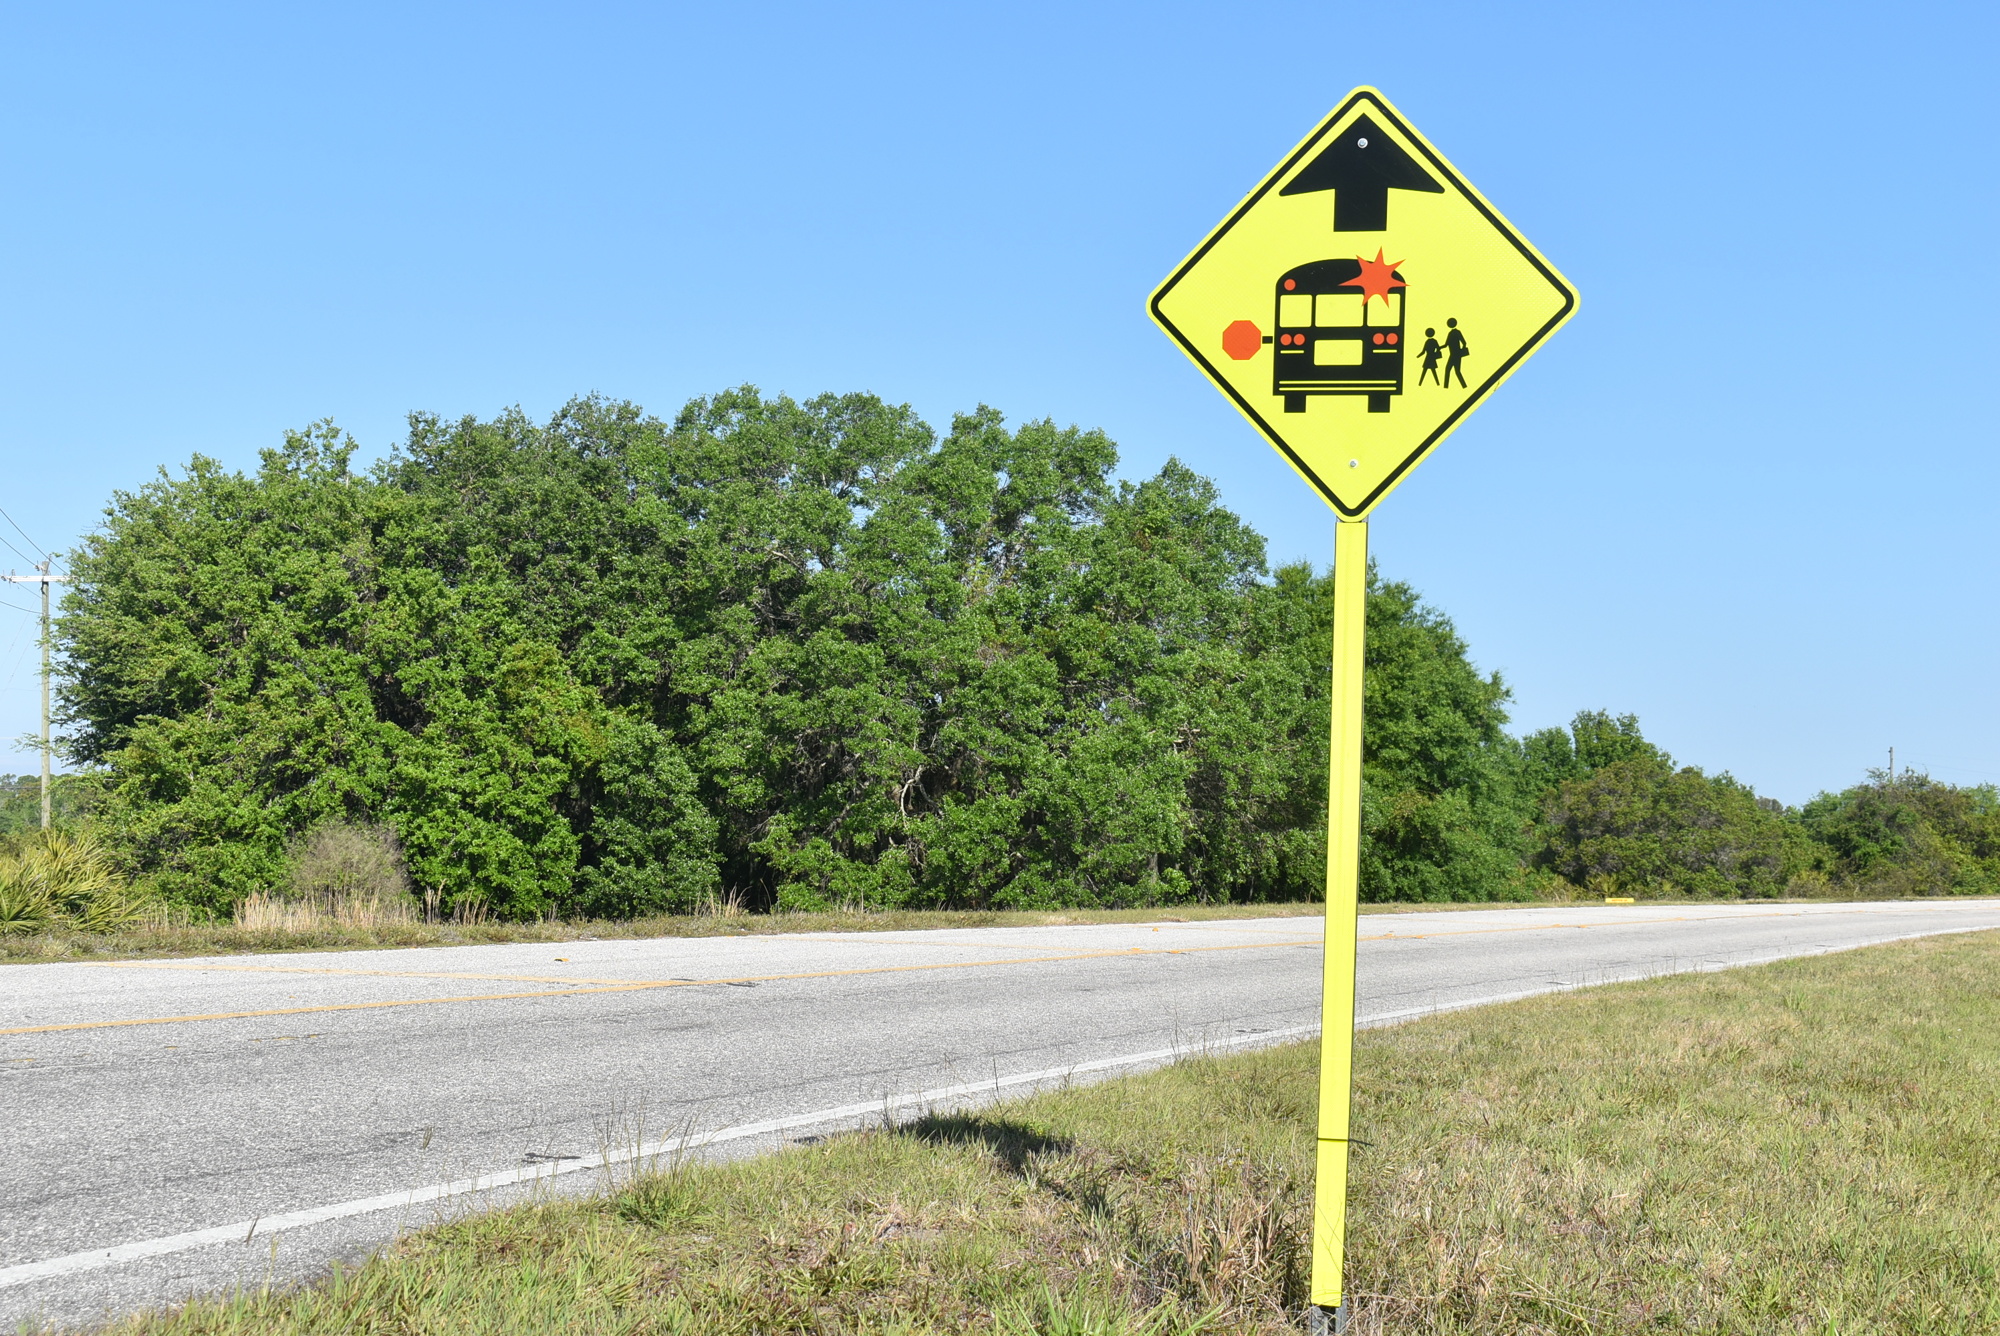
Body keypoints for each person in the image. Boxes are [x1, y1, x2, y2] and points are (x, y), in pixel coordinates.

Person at [1443, 317, 1470, 388]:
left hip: (1456, 355)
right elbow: (1446, 344)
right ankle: (1447, 386)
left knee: (1454, 371)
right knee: (1451, 370)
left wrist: (1461, 351)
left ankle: (1463, 386)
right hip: (1453, 355)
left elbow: (1464, 342)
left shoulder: (1457, 332)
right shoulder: (1451, 333)